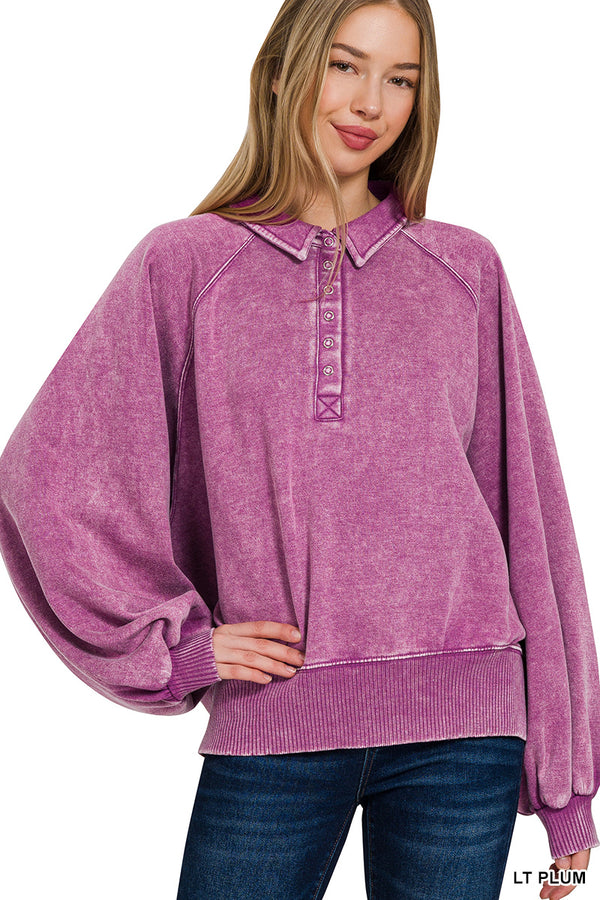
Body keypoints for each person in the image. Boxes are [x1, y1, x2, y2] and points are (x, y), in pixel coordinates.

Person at [0, 0, 598, 897]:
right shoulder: (185, 264)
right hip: (275, 719)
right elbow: (49, 477)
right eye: (344, 65)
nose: (370, 103)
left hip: (466, 733)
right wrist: (179, 647)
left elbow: (531, 514)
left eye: (401, 79)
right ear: (283, 71)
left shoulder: (464, 268)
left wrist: (566, 790)